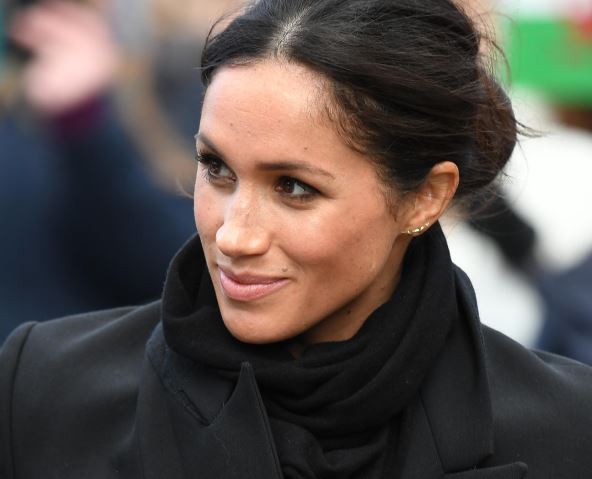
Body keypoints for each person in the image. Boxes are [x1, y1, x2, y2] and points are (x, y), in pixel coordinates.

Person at [2, 0, 592, 478]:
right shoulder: (44, 387)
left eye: (294, 188)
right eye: (216, 168)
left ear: (425, 197)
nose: (235, 234)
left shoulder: (569, 430)